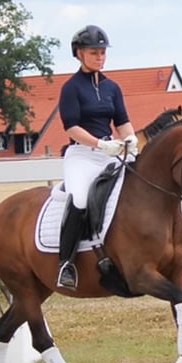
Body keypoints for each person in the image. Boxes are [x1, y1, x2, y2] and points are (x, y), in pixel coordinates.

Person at [56, 24, 138, 290]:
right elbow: (71, 127)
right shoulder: (71, 88)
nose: (100, 57)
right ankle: (65, 264)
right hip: (82, 154)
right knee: (80, 199)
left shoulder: (112, 87)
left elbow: (122, 122)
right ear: (79, 53)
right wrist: (100, 144)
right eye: (94, 52)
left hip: (111, 152)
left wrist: (130, 139)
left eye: (102, 52)